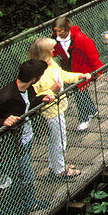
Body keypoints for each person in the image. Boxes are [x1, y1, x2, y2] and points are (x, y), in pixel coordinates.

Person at [0, 59, 52, 215]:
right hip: (4, 148)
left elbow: (27, 105)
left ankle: (30, 202)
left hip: (23, 139)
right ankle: (2, 213)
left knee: (26, 173)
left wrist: (41, 100)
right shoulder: (4, 97)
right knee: (21, 178)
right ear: (34, 78)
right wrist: (3, 122)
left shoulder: (28, 89)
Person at [29, 38, 92, 178]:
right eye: (51, 48)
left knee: (55, 140)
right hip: (50, 112)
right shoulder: (37, 74)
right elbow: (34, 97)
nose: (54, 50)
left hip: (59, 108)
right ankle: (59, 170)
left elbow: (62, 75)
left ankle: (56, 164)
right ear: (45, 52)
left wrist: (79, 76)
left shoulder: (51, 64)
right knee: (59, 140)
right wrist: (52, 90)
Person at [51, 15, 102, 131]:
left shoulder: (80, 38)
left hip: (81, 68)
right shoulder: (54, 39)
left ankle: (84, 118)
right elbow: (52, 52)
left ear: (67, 28)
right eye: (56, 31)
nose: (58, 33)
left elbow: (92, 54)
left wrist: (99, 70)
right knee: (80, 91)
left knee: (79, 91)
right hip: (69, 68)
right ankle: (92, 111)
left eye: (60, 31)